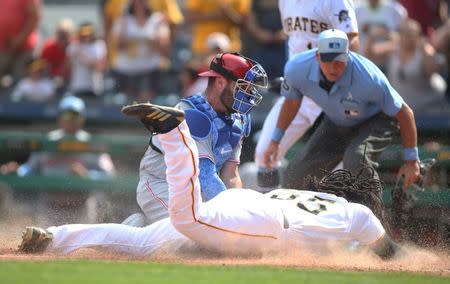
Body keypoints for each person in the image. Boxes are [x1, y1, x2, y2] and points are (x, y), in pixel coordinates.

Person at [19, 102, 400, 260]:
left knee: (145, 242)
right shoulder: (358, 216)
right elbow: (387, 252)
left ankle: (56, 236)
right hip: (267, 227)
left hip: (250, 206)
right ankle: (174, 134)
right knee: (187, 218)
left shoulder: (302, 194)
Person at [263, 29, 420, 198]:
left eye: (339, 60)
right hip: (338, 120)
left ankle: (374, 219)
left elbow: (405, 113)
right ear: (317, 56)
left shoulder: (368, 77)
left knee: (357, 159)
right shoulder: (296, 69)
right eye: (328, 59)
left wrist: (411, 160)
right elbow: (292, 102)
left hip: (377, 119)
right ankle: (300, 222)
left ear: (348, 56)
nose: (333, 67)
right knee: (296, 173)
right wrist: (275, 141)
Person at [122, 52, 268, 226]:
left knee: (212, 236)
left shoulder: (239, 118)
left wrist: (241, 211)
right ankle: (133, 228)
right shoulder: (192, 114)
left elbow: (231, 175)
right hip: (161, 183)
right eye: (243, 87)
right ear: (221, 82)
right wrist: (234, 216)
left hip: (196, 191)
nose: (249, 94)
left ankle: (146, 225)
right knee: (189, 235)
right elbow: (205, 176)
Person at [254, 0, 360, 191]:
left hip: (332, 92)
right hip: (299, 91)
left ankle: (341, 218)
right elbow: (295, 40)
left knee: (337, 170)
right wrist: (291, 73)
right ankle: (272, 217)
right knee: (264, 155)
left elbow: (352, 41)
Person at [1, 96, 116, 223]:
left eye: (75, 116)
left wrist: (87, 175)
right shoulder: (48, 141)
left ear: (82, 119)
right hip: (49, 209)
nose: (71, 120)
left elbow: (109, 175)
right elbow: (30, 168)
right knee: (47, 242)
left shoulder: (92, 143)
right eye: (67, 115)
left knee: (82, 243)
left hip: (81, 210)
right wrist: (18, 171)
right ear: (59, 118)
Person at [111, 0, 171, 102]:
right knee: (129, 105)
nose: (140, 3)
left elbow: (165, 47)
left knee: (147, 104)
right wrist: (123, 21)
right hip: (126, 71)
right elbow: (118, 45)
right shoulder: (123, 19)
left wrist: (153, 37)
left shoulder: (157, 19)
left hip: (150, 71)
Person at [0, 0, 41, 81]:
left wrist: (19, 39)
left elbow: (35, 16)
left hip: (23, 48)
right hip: (2, 48)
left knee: (20, 82)